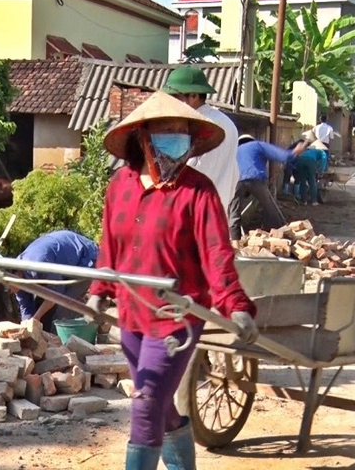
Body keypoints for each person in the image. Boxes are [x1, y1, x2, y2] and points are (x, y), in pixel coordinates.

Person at [87, 91, 258, 470]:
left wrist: (237, 306)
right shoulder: (121, 185)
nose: (176, 138)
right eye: (167, 131)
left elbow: (217, 254)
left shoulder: (197, 191)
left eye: (182, 132)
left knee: (145, 405)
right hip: (132, 314)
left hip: (176, 318)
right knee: (161, 407)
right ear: (143, 137)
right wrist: (100, 289)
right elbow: (109, 245)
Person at [162, 65, 240, 220]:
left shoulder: (201, 126)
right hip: (216, 216)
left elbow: (187, 174)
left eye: (175, 97)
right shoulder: (227, 123)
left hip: (191, 217)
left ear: (193, 96)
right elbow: (234, 174)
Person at [13, 230, 99, 333]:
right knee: (42, 308)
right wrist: (25, 328)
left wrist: (36, 318)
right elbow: (26, 309)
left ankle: (67, 342)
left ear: (17, 275)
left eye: (8, 287)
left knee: (62, 307)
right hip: (61, 264)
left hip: (84, 257)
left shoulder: (38, 264)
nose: (10, 291)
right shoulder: (17, 279)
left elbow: (56, 293)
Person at [230, 134, 306, 242]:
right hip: (255, 178)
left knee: (234, 211)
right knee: (270, 208)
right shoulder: (257, 145)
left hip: (236, 180)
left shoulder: (235, 151)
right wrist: (295, 151)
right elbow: (283, 156)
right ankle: (281, 236)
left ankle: (234, 243)